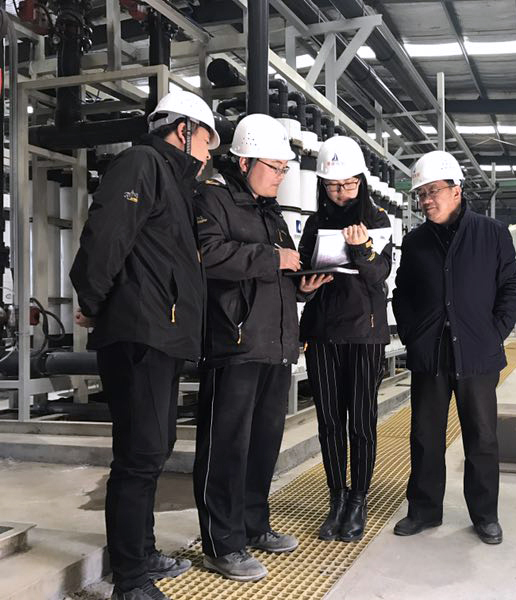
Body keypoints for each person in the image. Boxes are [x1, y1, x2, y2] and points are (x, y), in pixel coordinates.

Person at [70, 89, 220, 600]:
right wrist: (94, 302)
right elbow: (105, 236)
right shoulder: (142, 163)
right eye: (207, 140)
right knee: (139, 455)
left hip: (161, 334)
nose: (209, 152)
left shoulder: (173, 181)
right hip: (140, 334)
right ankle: (130, 578)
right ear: (184, 130)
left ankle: (143, 550)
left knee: (152, 450)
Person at [191, 114, 330, 582]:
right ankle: (221, 545)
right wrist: (272, 257)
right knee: (226, 448)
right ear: (245, 161)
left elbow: (277, 272)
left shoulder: (269, 211)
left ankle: (253, 526)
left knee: (262, 446)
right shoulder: (213, 198)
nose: (281, 176)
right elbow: (207, 256)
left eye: (285, 169)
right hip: (234, 343)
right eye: (275, 167)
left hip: (275, 344)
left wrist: (301, 286)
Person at [391, 150, 516, 545]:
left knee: (481, 437)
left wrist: (493, 333)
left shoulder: (492, 233)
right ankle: (424, 511)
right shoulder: (415, 242)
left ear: (456, 189)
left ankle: (485, 515)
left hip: (477, 354)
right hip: (430, 354)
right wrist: (413, 336)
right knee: (425, 436)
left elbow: (511, 287)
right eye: (421, 194)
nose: (426, 200)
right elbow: (402, 294)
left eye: (433, 191)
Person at [298, 135, 392, 542]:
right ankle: (336, 498)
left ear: (361, 181)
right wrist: (304, 288)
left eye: (348, 184)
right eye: (333, 185)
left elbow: (379, 274)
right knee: (330, 422)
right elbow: (301, 271)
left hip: (365, 335)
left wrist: (362, 248)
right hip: (322, 334)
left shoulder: (378, 220)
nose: (340, 192)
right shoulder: (315, 223)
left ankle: (358, 500)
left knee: (362, 422)